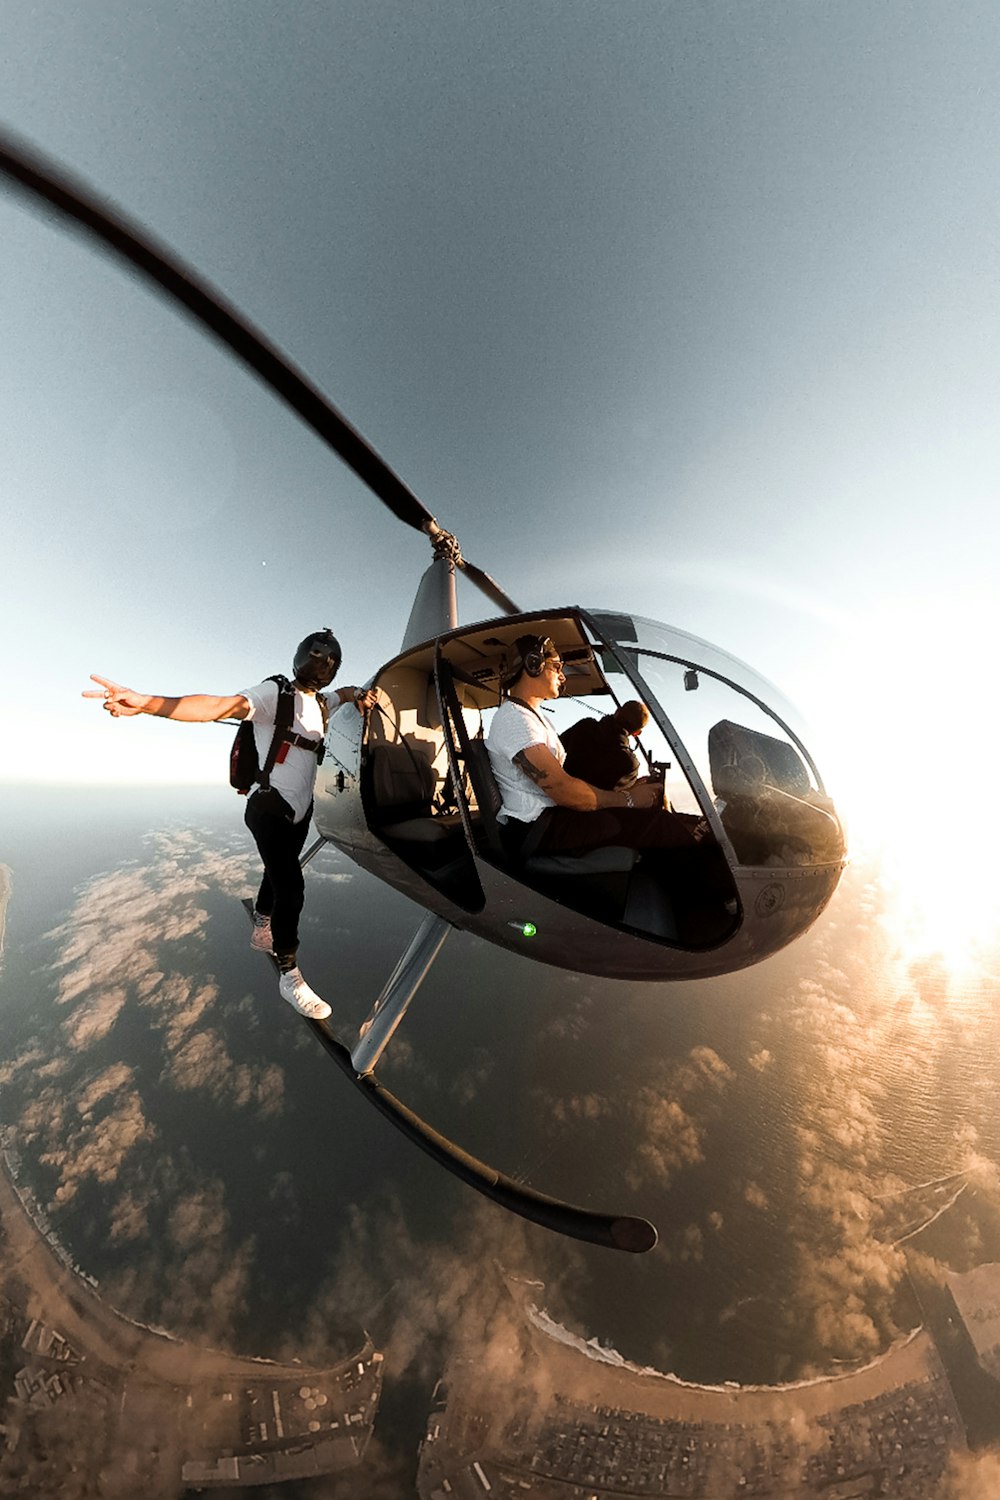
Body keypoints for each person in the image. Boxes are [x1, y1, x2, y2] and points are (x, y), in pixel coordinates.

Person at [84, 630, 377, 1021]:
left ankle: (262, 923)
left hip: (298, 810)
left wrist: (360, 696)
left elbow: (346, 692)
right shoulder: (274, 694)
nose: (320, 668)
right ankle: (289, 974)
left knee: (279, 871)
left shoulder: (321, 704)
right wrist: (148, 704)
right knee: (291, 888)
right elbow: (216, 707)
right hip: (268, 807)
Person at [485, 636, 734, 918]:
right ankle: (724, 896)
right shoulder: (514, 719)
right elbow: (562, 789)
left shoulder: (532, 717)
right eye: (556, 666)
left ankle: (689, 896)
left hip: (553, 820)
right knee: (657, 823)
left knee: (652, 822)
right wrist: (628, 799)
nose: (562, 675)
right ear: (533, 664)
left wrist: (627, 797)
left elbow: (565, 779)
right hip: (539, 828)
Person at [560, 699, 649, 791]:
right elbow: (621, 795)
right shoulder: (629, 763)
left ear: (617, 711)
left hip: (558, 794)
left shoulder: (585, 726)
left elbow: (555, 747)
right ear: (637, 733)